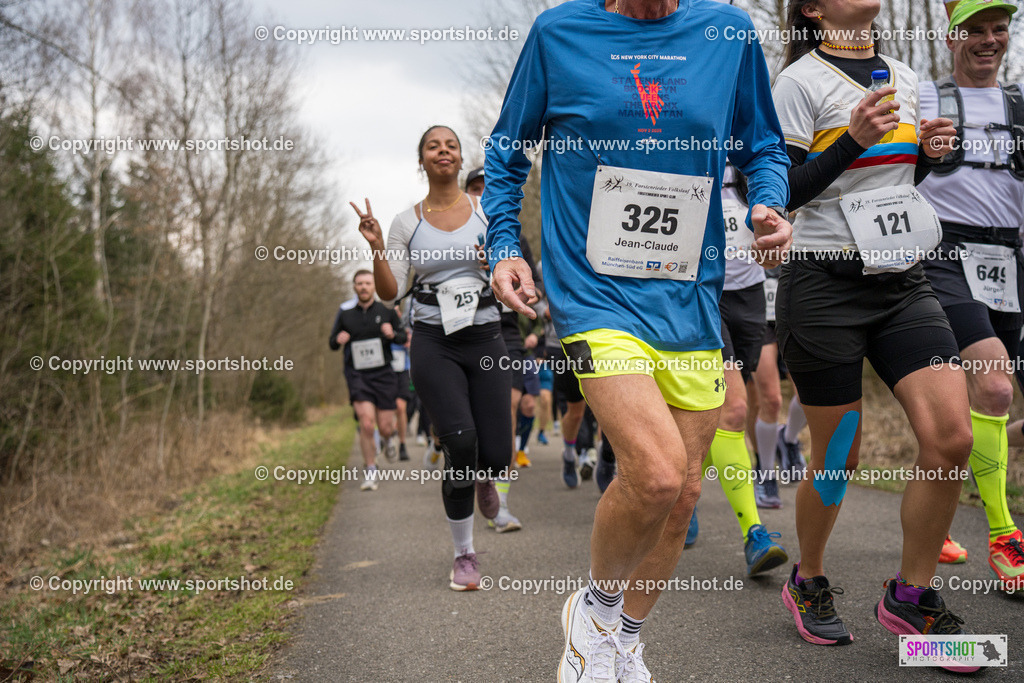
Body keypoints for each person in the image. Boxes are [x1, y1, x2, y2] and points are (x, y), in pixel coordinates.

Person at [485, 1, 792, 679]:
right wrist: (504, 241)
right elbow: (507, 153)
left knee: (682, 495)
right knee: (653, 473)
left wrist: (770, 200)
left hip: (688, 297)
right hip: (593, 291)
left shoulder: (727, 32)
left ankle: (624, 637)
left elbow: (762, 144)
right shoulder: (559, 33)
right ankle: (591, 612)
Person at [772, 0, 976, 670]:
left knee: (952, 435)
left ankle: (911, 597)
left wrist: (930, 156)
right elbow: (787, 193)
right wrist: (852, 138)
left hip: (903, 279)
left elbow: (896, 182)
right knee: (840, 457)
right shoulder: (799, 83)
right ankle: (808, 578)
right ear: (814, 9)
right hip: (823, 281)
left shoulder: (911, 77)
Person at [351, 125, 516, 589]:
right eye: (432, 146)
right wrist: (379, 249)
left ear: (460, 159)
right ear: (421, 160)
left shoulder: (489, 212)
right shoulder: (408, 221)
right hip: (433, 340)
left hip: (486, 338)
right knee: (461, 445)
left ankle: (485, 475)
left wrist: (497, 264)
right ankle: (464, 554)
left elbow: (514, 271)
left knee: (497, 453)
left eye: (451, 146)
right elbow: (390, 293)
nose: (443, 151)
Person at [916, 0, 1024, 586]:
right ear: (952, 36)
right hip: (944, 254)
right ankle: (1006, 536)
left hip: (1011, 257)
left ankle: (933, 509)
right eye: (975, 30)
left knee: (961, 411)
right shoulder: (924, 99)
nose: (989, 40)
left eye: (999, 30)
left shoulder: (1021, 104)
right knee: (995, 382)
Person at [329, 270, 407, 491]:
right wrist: (338, 339)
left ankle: (388, 438)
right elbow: (332, 343)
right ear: (354, 287)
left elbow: (403, 337)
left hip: (383, 374)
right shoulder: (345, 313)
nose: (363, 287)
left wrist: (392, 335)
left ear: (374, 287)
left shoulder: (387, 310)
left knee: (384, 427)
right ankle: (371, 470)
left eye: (367, 283)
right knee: (365, 423)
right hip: (358, 375)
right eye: (359, 283)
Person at [747, 267, 808, 487]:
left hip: (793, 308)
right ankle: (764, 472)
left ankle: (788, 439)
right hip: (756, 313)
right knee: (769, 401)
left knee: (810, 394)